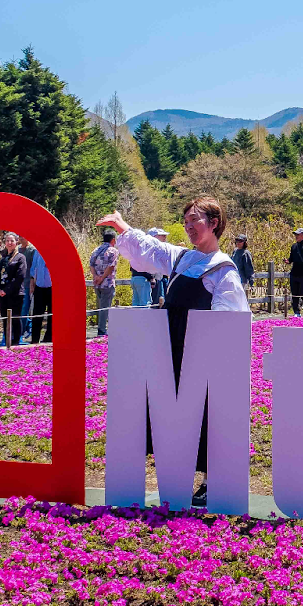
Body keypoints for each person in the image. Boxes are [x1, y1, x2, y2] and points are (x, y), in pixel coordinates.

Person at [97, 196, 250, 507]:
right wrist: (122, 226)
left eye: (195, 220)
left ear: (214, 224)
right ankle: (177, 476)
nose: (189, 226)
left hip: (200, 355)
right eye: (186, 221)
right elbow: (151, 250)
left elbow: (230, 322)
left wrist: (216, 358)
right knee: (171, 416)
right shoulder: (183, 259)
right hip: (171, 349)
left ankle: (213, 480)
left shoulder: (224, 271)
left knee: (207, 413)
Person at [0, 232, 29, 344]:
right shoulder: (2, 258)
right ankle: (7, 342)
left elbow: (19, 277)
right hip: (2, 295)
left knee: (15, 319)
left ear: (16, 242)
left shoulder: (20, 258)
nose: (9, 243)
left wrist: (6, 290)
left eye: (12, 241)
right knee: (5, 319)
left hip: (15, 294)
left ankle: (16, 342)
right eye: (7, 241)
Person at [90, 229, 120, 338]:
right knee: (105, 308)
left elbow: (91, 265)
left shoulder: (96, 250)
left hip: (97, 283)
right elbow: (111, 266)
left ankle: (102, 328)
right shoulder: (113, 251)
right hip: (107, 282)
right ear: (113, 239)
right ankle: (102, 330)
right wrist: (102, 278)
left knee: (101, 307)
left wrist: (95, 276)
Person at [26, 230, 54, 344]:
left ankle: (49, 338)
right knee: (37, 314)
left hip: (52, 287)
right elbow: (33, 269)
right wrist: (32, 283)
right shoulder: (37, 251)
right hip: (39, 286)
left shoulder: (54, 250)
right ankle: (34, 340)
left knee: (52, 315)